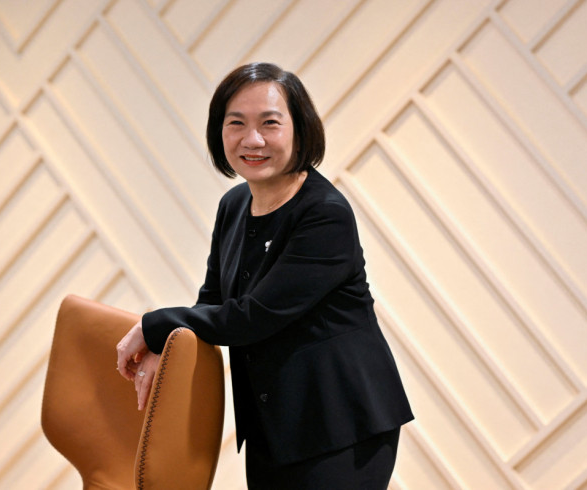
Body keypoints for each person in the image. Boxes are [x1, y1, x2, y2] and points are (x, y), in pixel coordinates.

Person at [117, 62, 413, 489]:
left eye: (269, 123)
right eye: (236, 123)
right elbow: (213, 303)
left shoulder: (324, 214)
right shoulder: (234, 205)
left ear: (300, 129)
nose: (251, 139)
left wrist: (154, 324)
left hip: (341, 423)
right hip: (273, 424)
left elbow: (253, 318)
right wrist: (166, 346)